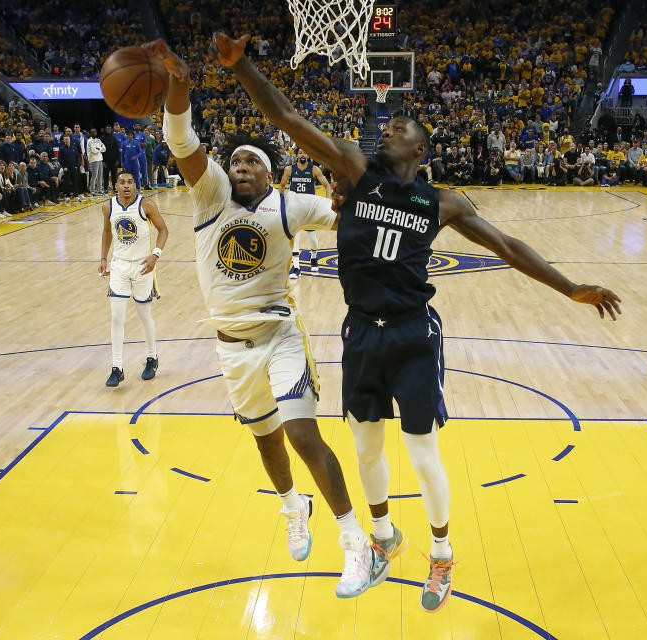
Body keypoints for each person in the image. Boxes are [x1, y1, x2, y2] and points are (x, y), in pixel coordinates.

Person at [209, 31, 622, 612]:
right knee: (366, 450)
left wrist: (570, 286)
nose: (389, 131)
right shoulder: (354, 167)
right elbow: (287, 118)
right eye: (388, 126)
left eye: (401, 130)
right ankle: (381, 542)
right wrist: (242, 65)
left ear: (420, 152)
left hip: (412, 333)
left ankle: (441, 552)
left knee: (422, 451)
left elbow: (507, 244)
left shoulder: (443, 201)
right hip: (360, 332)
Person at [146, 38, 381, 600]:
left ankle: (358, 544)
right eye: (236, 161)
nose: (241, 166)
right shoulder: (211, 198)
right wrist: (178, 85)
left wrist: (354, 203)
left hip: (279, 334)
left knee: (301, 432)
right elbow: (180, 139)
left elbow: (350, 217)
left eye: (253, 161)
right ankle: (291, 505)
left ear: (270, 172)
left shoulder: (289, 206)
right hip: (230, 347)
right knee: (267, 441)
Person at [99, 171, 169, 385]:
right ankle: (117, 367)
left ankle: (152, 357)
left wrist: (155, 255)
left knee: (144, 315)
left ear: (135, 185)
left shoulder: (146, 204)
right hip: (119, 266)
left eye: (130, 182)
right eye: (122, 182)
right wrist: (103, 257)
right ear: (115, 186)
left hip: (142, 266)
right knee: (117, 317)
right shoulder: (108, 207)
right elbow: (107, 231)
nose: (126, 185)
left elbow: (163, 230)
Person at [279, 150, 331, 278]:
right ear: (297, 155)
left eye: (305, 153)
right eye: (300, 153)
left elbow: (327, 185)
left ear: (308, 156)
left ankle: (314, 258)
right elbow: (281, 185)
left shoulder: (314, 169)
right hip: (294, 208)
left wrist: (328, 201)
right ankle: (296, 267)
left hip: (310, 209)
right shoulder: (289, 169)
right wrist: (280, 202)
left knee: (312, 238)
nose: (303, 155)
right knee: (294, 237)